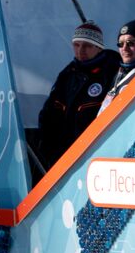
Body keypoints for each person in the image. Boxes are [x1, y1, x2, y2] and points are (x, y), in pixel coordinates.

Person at [35, 21, 119, 170]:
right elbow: (48, 112)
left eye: (87, 45)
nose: (81, 50)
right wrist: (46, 149)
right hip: (62, 156)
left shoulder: (111, 73)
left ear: (98, 48)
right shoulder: (68, 73)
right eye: (77, 45)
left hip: (93, 154)